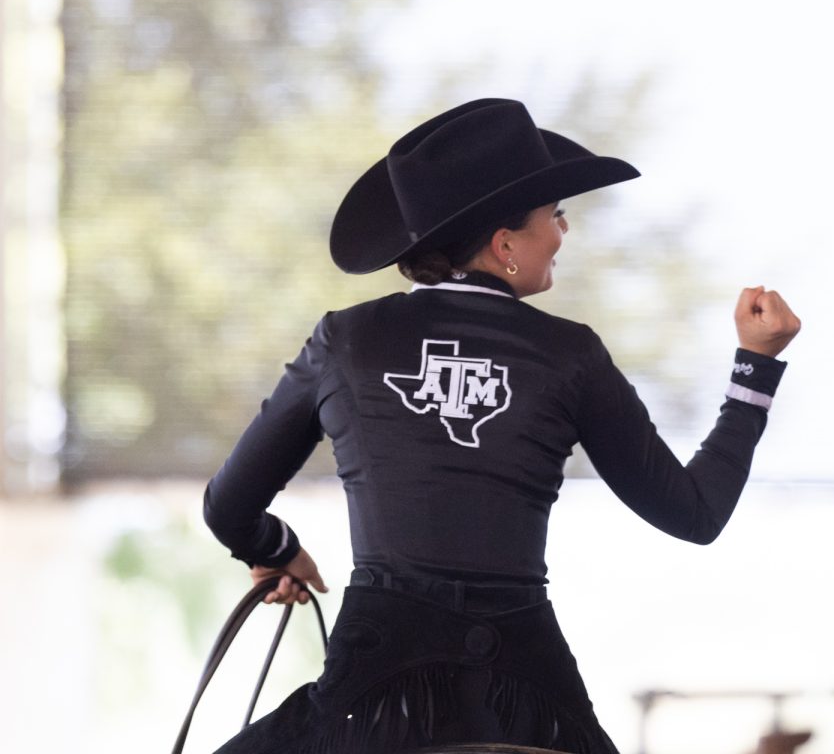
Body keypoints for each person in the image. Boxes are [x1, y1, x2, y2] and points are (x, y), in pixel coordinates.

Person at [202, 97, 801, 754]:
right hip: (526, 696)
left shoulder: (345, 342)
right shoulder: (571, 355)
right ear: (506, 243)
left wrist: (276, 546)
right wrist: (755, 369)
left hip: (371, 699)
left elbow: (229, 507)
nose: (564, 233)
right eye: (556, 215)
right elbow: (696, 513)